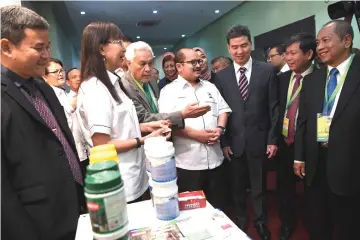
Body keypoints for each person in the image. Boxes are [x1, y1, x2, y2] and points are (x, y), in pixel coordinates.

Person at [1, 6, 83, 239]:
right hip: (35, 224)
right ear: (6, 47)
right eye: (38, 48)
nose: (47, 55)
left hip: (70, 208)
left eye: (48, 47)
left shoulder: (41, 86)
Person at [76, 21, 171, 204]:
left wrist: (147, 127)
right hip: (120, 181)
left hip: (135, 176)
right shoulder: (95, 89)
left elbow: (119, 127)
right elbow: (102, 143)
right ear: (101, 49)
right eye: (118, 42)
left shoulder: (112, 82)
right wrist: (143, 140)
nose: (123, 48)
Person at [294, 20, 360, 240]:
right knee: (318, 223)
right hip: (315, 164)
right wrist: (299, 157)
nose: (319, 47)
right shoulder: (312, 80)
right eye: (317, 42)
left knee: (348, 225)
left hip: (351, 165)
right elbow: (302, 121)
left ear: (347, 40)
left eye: (325, 40)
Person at [214, 25, 279, 240]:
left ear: (250, 44)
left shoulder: (267, 71)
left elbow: (274, 108)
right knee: (238, 186)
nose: (239, 51)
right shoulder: (221, 77)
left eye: (243, 45)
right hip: (234, 141)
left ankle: (261, 222)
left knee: (259, 186)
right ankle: (241, 220)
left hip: (260, 140)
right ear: (228, 48)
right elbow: (219, 112)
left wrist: (272, 140)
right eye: (234, 47)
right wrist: (224, 142)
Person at [159, 48, 232, 209]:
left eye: (199, 61)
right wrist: (196, 135)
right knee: (192, 212)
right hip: (188, 164)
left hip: (215, 160)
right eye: (193, 62)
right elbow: (166, 123)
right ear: (179, 67)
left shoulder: (210, 87)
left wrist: (220, 129)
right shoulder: (168, 91)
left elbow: (223, 110)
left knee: (219, 209)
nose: (198, 65)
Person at [276, 32, 316, 240]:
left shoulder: (321, 77)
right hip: (284, 143)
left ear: (309, 53)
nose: (288, 58)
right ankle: (287, 223)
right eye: (286, 54)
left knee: (312, 189)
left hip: (310, 145)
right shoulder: (282, 79)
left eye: (293, 53)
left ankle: (312, 224)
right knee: (285, 188)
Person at [122, 41, 210, 129]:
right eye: (142, 64)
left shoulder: (151, 80)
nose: (148, 69)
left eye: (150, 63)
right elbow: (143, 118)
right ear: (129, 64)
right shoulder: (124, 86)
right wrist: (182, 114)